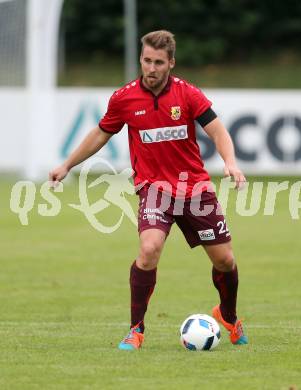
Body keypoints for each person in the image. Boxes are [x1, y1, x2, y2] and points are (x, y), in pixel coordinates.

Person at [49, 30, 248, 350]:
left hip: (194, 188)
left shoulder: (187, 94)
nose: (151, 68)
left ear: (171, 63)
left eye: (158, 62)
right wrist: (67, 165)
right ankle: (135, 329)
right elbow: (101, 134)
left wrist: (231, 162)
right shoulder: (124, 98)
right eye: (146, 61)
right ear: (140, 59)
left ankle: (227, 314)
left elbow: (217, 130)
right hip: (154, 189)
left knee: (224, 260)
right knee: (149, 249)